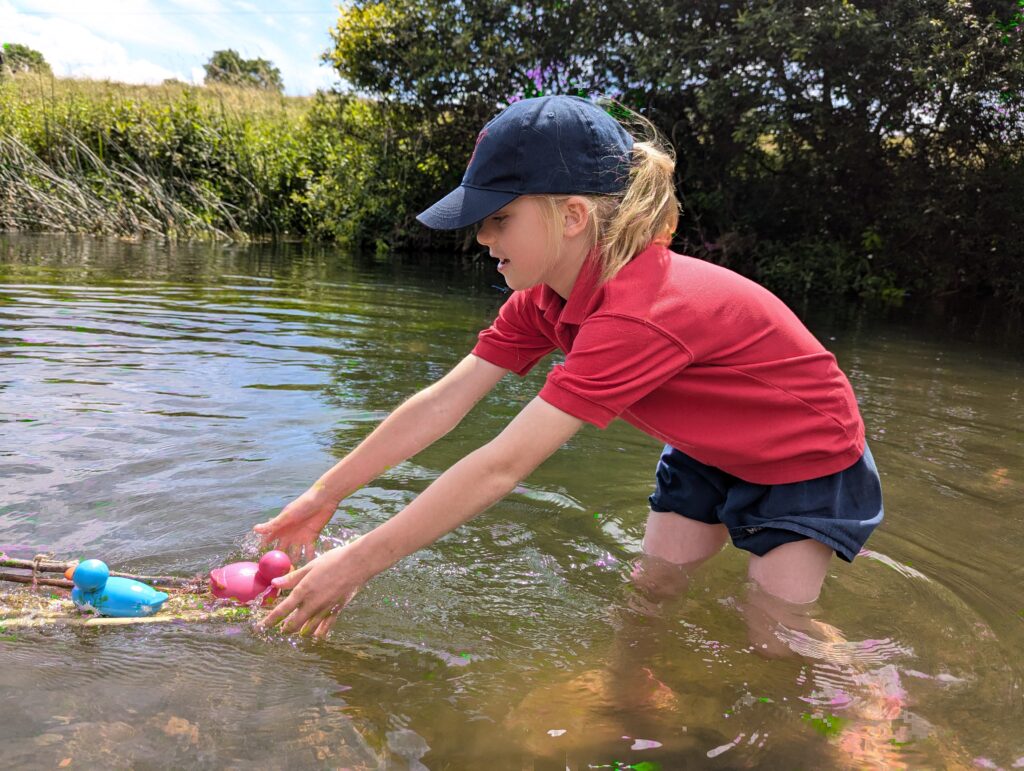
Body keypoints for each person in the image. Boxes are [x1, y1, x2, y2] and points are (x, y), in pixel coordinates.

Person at [256, 95, 883, 638]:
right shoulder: (543, 300)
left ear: (572, 217)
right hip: (705, 448)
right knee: (650, 594)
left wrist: (357, 562)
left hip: (805, 456)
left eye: (499, 219)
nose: (482, 239)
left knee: (774, 633)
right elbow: (445, 402)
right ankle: (634, 702)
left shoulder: (636, 313)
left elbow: (501, 465)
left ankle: (870, 706)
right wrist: (323, 495)